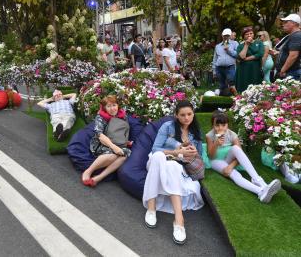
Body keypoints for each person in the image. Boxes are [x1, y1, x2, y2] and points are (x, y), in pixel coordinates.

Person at [143, 101, 204, 245]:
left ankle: (179, 220)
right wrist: (177, 151)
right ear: (176, 115)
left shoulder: (196, 131)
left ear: (193, 114)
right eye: (182, 115)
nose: (186, 118)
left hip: (178, 164)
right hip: (158, 160)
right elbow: (155, 149)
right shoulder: (167, 127)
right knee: (158, 156)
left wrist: (192, 153)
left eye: (189, 114)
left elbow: (199, 155)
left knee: (173, 167)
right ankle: (151, 209)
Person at [206, 111, 281, 202]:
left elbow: (240, 154)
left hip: (228, 158)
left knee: (236, 148)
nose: (220, 128)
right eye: (217, 125)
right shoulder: (210, 135)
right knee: (235, 174)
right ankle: (260, 191)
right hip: (216, 160)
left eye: (223, 125)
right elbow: (211, 155)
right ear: (212, 126)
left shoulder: (232, 135)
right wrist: (216, 144)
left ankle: (258, 180)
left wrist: (231, 166)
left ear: (227, 125)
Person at [82, 95, 131, 187]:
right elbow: (99, 135)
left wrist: (126, 142)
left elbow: (122, 132)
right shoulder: (100, 117)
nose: (112, 108)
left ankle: (99, 177)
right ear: (104, 108)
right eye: (109, 106)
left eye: (114, 105)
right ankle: (89, 171)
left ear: (118, 105)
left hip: (117, 143)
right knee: (113, 155)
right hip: (101, 144)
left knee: (125, 154)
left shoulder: (123, 116)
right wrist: (114, 147)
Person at [235, 27, 264, 92]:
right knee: (243, 87)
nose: (249, 35)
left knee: (255, 87)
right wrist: (246, 44)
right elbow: (242, 56)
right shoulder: (240, 46)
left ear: (254, 34)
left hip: (255, 69)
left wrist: (246, 59)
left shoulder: (259, 43)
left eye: (251, 33)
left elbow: (260, 54)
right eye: (247, 34)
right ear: (243, 36)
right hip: (243, 70)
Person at [274, 14, 301, 80]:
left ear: (294, 23)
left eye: (286, 22)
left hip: (290, 73)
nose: (283, 24)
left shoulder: (296, 36)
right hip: (289, 72)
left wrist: (283, 70)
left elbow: (293, 56)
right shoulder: (293, 35)